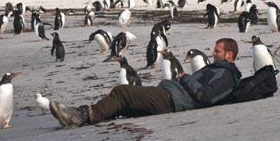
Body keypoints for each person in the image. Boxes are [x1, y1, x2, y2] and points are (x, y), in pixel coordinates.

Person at [49, 38, 242, 128]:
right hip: (169, 95)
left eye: (217, 51)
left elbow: (205, 96)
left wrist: (185, 78)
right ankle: (82, 116)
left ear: (229, 55)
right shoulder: (219, 70)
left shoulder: (226, 75)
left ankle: (81, 116)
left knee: (123, 92)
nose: (212, 53)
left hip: (171, 100)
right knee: (125, 105)